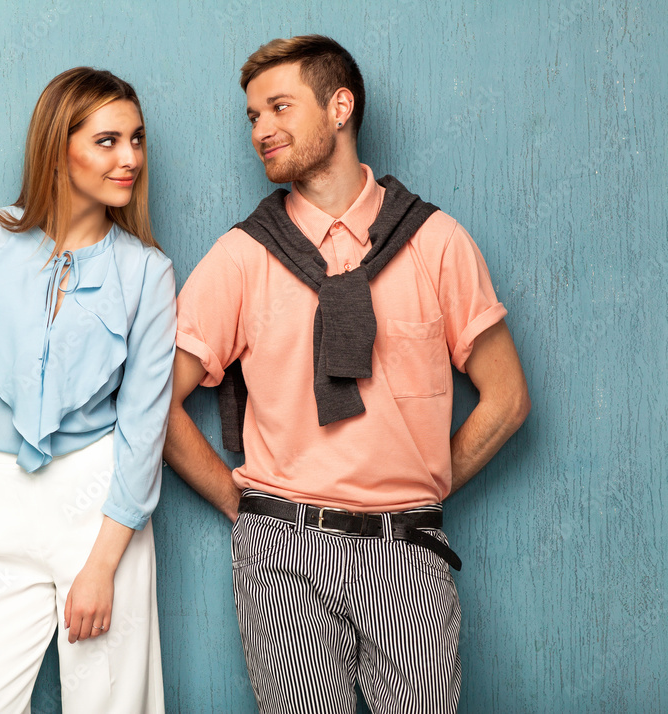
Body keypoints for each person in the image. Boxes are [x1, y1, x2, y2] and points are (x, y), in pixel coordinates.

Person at [165, 35, 530, 714]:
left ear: (340, 106)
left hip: (407, 551)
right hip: (280, 553)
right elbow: (155, 402)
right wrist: (242, 508)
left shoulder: (435, 243)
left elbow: (507, 399)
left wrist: (422, 480)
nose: (262, 131)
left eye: (278, 107)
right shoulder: (241, 257)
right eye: (252, 117)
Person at [0, 67, 175, 714]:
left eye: (137, 141)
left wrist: (103, 564)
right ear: (59, 147)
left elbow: (143, 427)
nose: (131, 159)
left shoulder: (148, 273)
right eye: (108, 141)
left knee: (112, 703)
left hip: (100, 514)